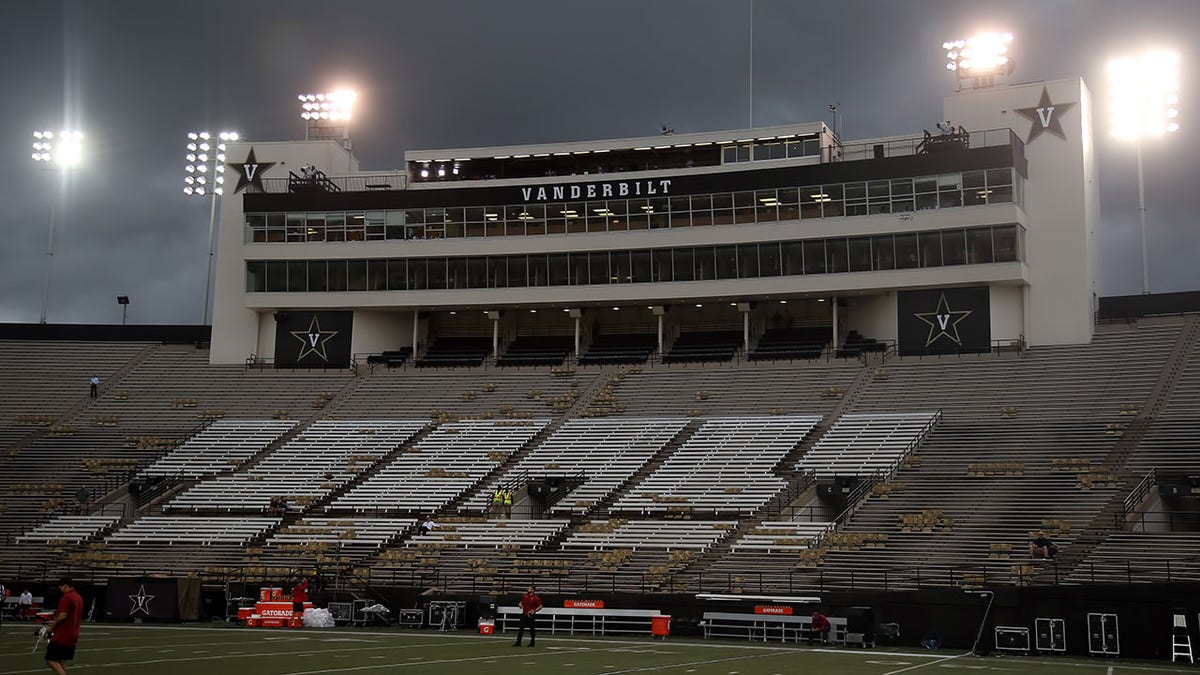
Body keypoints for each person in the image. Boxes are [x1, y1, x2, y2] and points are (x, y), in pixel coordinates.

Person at [43, 577, 83, 675]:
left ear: (65, 586)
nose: (61, 590)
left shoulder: (67, 597)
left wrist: (53, 625)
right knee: (61, 660)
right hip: (74, 632)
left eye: (61, 588)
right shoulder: (78, 597)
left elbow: (63, 615)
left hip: (63, 634)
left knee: (50, 659)